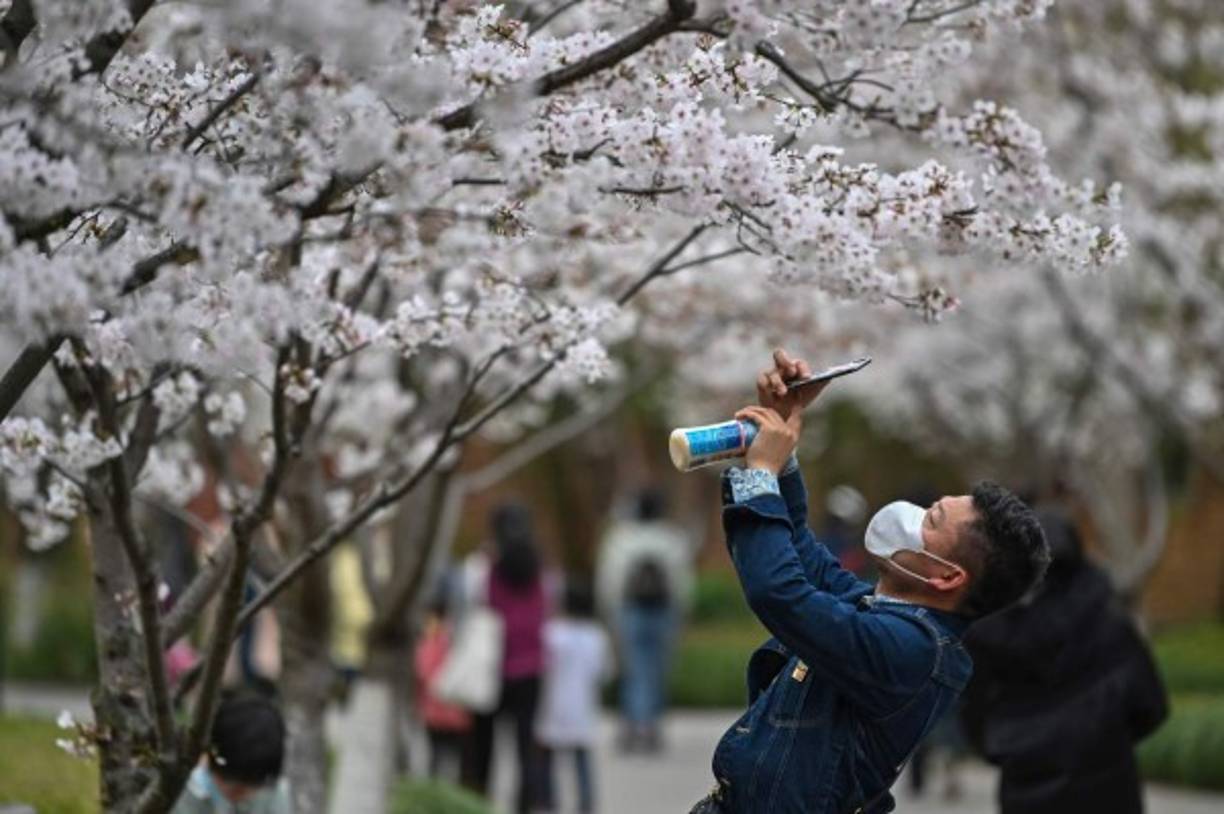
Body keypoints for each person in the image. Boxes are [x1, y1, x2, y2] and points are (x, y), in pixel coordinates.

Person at [690, 349, 1050, 814]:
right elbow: (802, 554)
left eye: (930, 519)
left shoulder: (910, 651)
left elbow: (781, 594)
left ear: (946, 577)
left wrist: (760, 476)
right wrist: (784, 440)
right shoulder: (885, 611)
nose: (911, 513)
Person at [960, 508, 1168, 814]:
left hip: (1027, 783)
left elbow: (974, 713)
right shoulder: (1108, 620)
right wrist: (1109, 739)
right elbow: (1150, 703)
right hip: (1108, 784)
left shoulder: (990, 631)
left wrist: (1007, 746)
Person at [463, 502, 549, 814]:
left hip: (492, 668)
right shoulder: (539, 568)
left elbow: (474, 604)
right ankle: (524, 806)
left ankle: (478, 804)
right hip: (530, 669)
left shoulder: (488, 568)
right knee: (525, 749)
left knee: (482, 751)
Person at [595, 487, 693, 751]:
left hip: (631, 610)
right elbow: (682, 583)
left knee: (633, 668)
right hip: (663, 611)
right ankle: (651, 725)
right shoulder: (672, 538)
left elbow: (609, 581)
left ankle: (633, 724)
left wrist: (610, 613)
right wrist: (681, 614)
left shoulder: (622, 538)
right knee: (657, 669)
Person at [536, 577, 612, 814]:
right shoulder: (596, 636)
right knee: (581, 757)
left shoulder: (552, 633)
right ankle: (586, 801)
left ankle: (547, 799)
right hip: (583, 706)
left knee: (547, 755)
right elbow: (605, 672)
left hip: (553, 703)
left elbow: (542, 667)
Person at [172, 692, 291, 814]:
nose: (243, 796)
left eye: (251, 786)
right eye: (236, 789)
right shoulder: (177, 791)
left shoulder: (271, 788)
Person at [413, 591, 473, 782]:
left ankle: (435, 790)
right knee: (453, 759)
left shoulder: (431, 641)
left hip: (436, 712)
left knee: (436, 757)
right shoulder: (456, 639)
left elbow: (423, 672)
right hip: (457, 712)